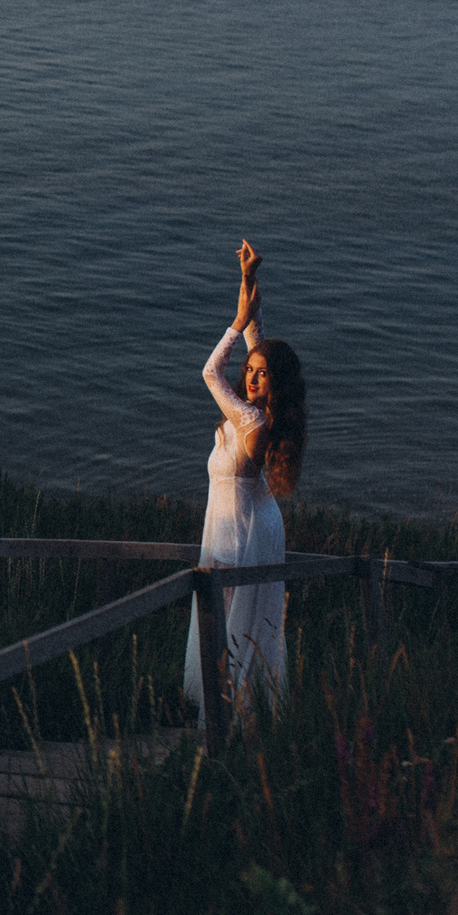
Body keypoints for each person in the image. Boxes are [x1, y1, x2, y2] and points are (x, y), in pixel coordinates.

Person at [184, 240, 307, 719]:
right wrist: (248, 281)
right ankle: (230, 719)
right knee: (230, 625)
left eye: (262, 375)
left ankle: (229, 724)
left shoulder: (253, 423)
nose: (251, 377)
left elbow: (210, 371)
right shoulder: (252, 413)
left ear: (277, 384)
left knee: (232, 629)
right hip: (240, 523)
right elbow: (259, 341)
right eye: (250, 372)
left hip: (241, 534)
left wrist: (235, 324)